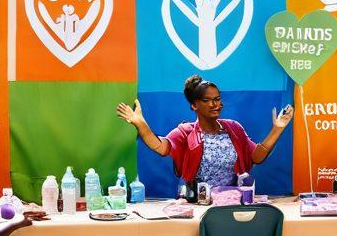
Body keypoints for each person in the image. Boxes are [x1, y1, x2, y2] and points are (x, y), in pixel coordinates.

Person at [116, 75, 293, 189]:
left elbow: (257, 157)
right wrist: (141, 124)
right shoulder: (185, 132)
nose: (214, 104)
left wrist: (277, 129)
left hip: (229, 200)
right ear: (194, 105)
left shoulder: (234, 128)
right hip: (195, 202)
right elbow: (160, 147)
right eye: (207, 100)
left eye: (217, 99)